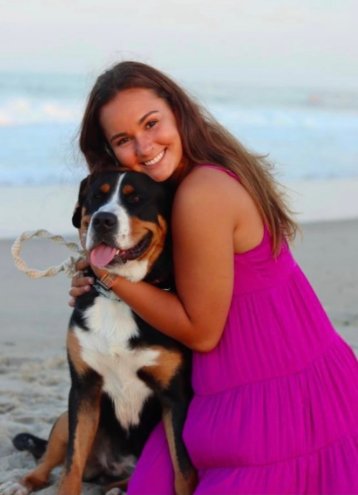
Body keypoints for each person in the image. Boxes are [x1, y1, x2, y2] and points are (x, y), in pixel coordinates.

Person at [69, 61, 358, 494]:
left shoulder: (201, 193)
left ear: (178, 113)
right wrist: (106, 270)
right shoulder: (187, 181)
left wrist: (108, 276)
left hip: (274, 399)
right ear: (111, 153)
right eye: (124, 140)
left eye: (151, 123)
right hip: (248, 382)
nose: (145, 147)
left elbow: (202, 333)